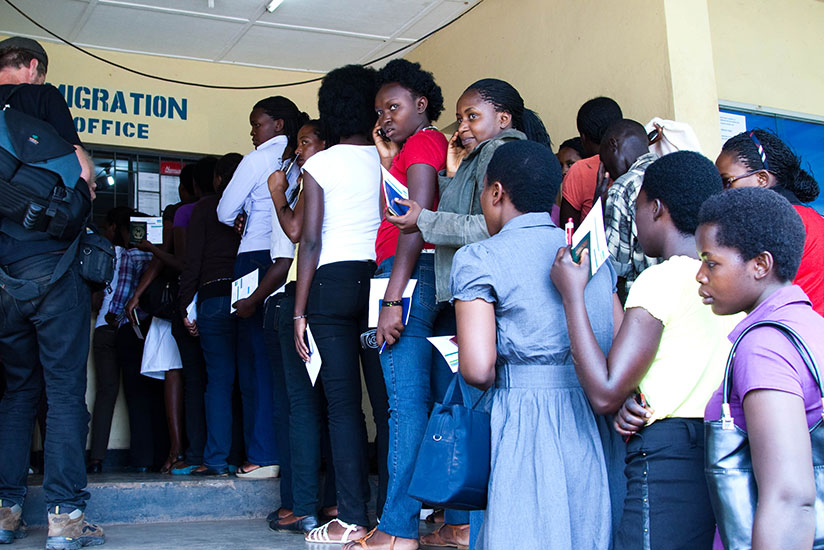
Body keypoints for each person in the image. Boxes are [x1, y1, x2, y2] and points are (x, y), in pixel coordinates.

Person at [385, 77, 551, 549]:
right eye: (459, 117)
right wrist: (451, 176)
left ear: (504, 118)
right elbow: (464, 207)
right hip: (464, 298)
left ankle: (471, 530)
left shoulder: (505, 156)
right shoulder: (481, 156)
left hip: (487, 299)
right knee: (463, 414)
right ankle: (463, 527)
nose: (462, 126)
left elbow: (486, 226)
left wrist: (424, 219)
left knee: (473, 413)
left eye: (471, 116)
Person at [551, 151, 739, 549]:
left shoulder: (660, 279)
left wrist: (572, 295)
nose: (634, 222)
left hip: (669, 455)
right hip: (725, 444)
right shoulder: (728, 283)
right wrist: (634, 394)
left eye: (636, 209)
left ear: (656, 209)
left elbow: (604, 391)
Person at [453, 141, 613, 549]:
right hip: (590, 415)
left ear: (495, 193)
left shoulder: (479, 257)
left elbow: (477, 368)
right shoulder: (592, 256)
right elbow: (615, 334)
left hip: (521, 414)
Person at [0, 36, 105, 549]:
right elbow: (82, 172)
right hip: (53, 269)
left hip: (3, 279)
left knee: (16, 393)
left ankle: (5, 513)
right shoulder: (42, 99)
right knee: (64, 392)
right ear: (34, 67)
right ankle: (64, 521)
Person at [342, 59, 448, 550]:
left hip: (405, 277)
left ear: (421, 105)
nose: (383, 117)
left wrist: (392, 299)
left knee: (404, 407)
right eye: (379, 110)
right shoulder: (416, 147)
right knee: (419, 404)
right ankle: (430, 522)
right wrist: (388, 159)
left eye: (393, 107)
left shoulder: (425, 143)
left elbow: (415, 223)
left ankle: (396, 530)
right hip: (411, 276)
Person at [292, 64, 389, 544]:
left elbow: (308, 242)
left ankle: (351, 520)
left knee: (343, 407)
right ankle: (394, 518)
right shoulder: (388, 158)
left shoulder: (320, 164)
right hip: (380, 284)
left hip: (328, 286)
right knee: (390, 406)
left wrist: (298, 310)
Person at [696, 188, 823, 550]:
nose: (700, 276)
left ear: (760, 265)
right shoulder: (812, 325)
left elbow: (789, 497)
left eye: (711, 262)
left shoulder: (764, 346)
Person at [217, 96, 305, 479]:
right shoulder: (297, 162)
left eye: (257, 123)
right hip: (288, 260)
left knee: (253, 362)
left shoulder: (256, 161)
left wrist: (243, 215)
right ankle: (276, 451)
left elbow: (223, 210)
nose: (252, 132)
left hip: (253, 260)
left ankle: (262, 454)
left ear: (278, 125)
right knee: (277, 361)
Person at [267, 121, 338, 532]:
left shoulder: (319, 176)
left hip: (305, 293)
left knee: (302, 406)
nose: (298, 151)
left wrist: (277, 193)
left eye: (305, 142)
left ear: (325, 144)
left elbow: (297, 234)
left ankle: (304, 505)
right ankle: (331, 503)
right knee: (335, 406)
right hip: (339, 291)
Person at [179, 153, 245, 477]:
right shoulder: (255, 205)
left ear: (218, 179)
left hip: (214, 296)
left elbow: (193, 261)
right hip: (250, 297)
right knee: (248, 380)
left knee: (218, 381)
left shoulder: (206, 207)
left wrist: (185, 306)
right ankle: (247, 458)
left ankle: (217, 460)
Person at [715, 129, 824, 316]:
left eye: (727, 182)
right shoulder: (815, 219)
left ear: (762, 179)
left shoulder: (772, 225)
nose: (722, 193)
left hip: (786, 337)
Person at [86, 206, 133, 474]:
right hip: (133, 330)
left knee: (106, 393)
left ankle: (96, 458)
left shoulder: (103, 254)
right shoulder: (142, 255)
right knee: (140, 394)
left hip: (105, 328)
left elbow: (94, 299)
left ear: (114, 228)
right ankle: (142, 456)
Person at [596, 119, 660, 301]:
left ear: (613, 145)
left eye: (604, 161)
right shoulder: (673, 171)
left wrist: (598, 201)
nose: (605, 171)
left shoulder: (623, 187)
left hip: (644, 301)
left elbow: (614, 267)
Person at [559, 96, 623, 226]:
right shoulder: (634, 160)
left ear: (583, 137)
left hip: (591, 245)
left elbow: (568, 229)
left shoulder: (580, 170)